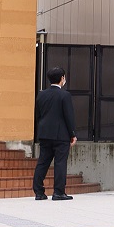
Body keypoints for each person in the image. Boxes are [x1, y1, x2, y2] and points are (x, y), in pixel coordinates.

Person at [33, 66, 77, 201]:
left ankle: (39, 192)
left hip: (45, 134)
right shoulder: (65, 95)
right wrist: (72, 134)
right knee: (60, 163)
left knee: (43, 162)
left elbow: (38, 116)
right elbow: (68, 116)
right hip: (61, 135)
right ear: (62, 78)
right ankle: (58, 192)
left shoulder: (41, 94)